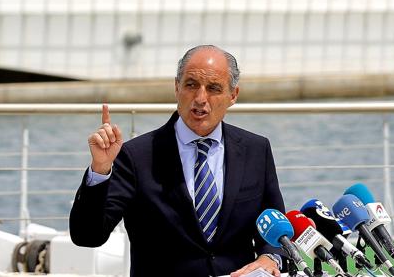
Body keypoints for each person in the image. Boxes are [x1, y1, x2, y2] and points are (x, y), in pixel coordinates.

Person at [68, 45, 285, 277]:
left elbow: (274, 227)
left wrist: (270, 257)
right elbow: (87, 236)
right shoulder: (135, 156)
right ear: (176, 87)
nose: (201, 99)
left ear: (233, 95)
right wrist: (100, 170)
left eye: (213, 88)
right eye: (191, 85)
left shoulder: (256, 150)